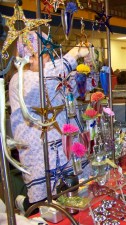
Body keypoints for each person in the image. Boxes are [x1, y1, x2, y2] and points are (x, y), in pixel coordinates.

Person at [9, 31, 91, 214]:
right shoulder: (20, 80)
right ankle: (26, 205)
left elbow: (79, 90)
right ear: (28, 57)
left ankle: (26, 204)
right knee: (46, 204)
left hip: (65, 148)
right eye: (44, 55)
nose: (48, 60)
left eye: (48, 54)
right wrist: (73, 55)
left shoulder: (53, 75)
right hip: (40, 152)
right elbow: (42, 83)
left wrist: (87, 68)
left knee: (73, 197)